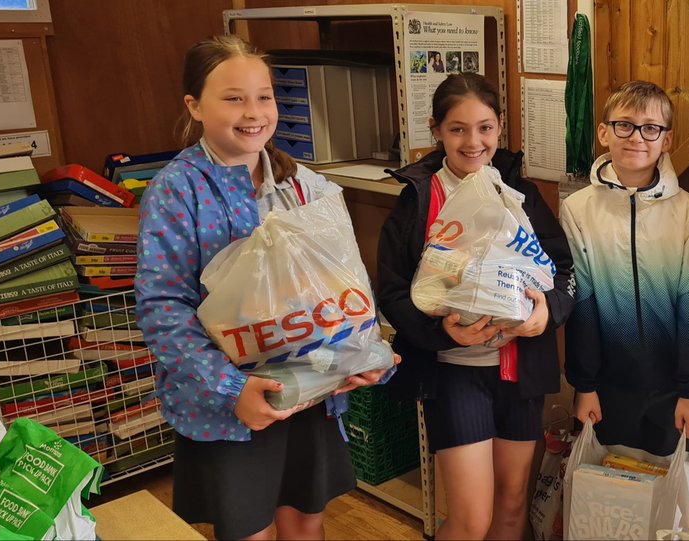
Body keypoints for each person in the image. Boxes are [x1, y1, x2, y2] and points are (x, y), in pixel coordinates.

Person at [134, 36, 391, 541]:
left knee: (306, 521)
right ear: (194, 106)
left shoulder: (304, 185)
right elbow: (163, 310)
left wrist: (365, 351)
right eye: (233, 98)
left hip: (309, 388)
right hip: (230, 405)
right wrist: (234, 389)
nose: (253, 112)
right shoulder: (176, 189)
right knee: (249, 529)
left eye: (265, 96)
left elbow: (344, 281)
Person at [375, 73, 575, 540]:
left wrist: (547, 313)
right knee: (470, 520)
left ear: (500, 127)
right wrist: (443, 333)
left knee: (510, 509)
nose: (473, 141)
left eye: (484, 127)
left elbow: (563, 271)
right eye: (458, 129)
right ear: (437, 130)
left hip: (517, 368)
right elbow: (392, 294)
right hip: (454, 371)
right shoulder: (419, 200)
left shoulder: (518, 194)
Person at [560, 80, 689, 456]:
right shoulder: (578, 210)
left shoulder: (688, 212)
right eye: (624, 125)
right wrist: (584, 385)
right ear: (604, 133)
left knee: (666, 497)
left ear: (666, 140)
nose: (637, 137)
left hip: (672, 387)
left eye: (651, 128)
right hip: (606, 386)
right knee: (610, 493)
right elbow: (581, 302)